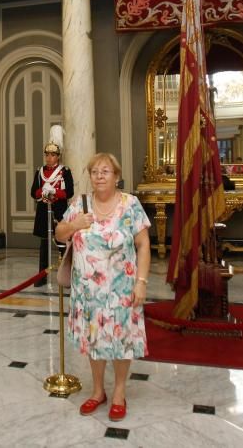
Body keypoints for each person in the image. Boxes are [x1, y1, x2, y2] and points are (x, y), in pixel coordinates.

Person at [55, 152, 151, 422]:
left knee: (121, 341)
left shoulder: (130, 204)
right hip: (88, 292)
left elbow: (143, 246)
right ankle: (98, 391)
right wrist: (75, 224)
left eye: (105, 171)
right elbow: (59, 234)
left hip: (122, 289)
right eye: (94, 172)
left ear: (116, 177)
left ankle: (119, 392)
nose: (99, 176)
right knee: (94, 340)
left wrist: (141, 283)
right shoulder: (81, 203)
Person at [30, 125, 73, 286]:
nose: (49, 158)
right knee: (44, 245)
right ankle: (41, 276)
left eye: (53, 155)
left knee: (63, 244)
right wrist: (42, 192)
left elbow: (69, 192)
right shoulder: (39, 171)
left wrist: (54, 193)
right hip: (43, 211)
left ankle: (67, 275)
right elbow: (33, 191)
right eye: (47, 155)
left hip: (59, 210)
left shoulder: (65, 171)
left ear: (58, 156)